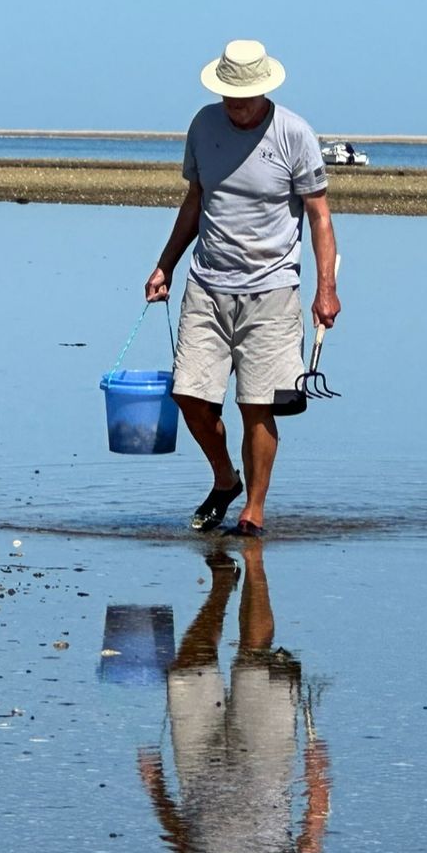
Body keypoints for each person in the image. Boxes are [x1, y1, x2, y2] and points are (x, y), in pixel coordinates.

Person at [146, 39, 341, 537]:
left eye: (245, 96)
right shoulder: (203, 125)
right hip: (206, 284)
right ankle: (224, 479)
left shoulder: (294, 133)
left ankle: (254, 510)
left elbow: (319, 215)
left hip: (272, 289)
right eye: (230, 95)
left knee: (256, 404)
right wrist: (165, 264)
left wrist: (326, 289)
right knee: (188, 394)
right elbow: (195, 199)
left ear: (265, 89)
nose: (237, 105)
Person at [136, 545, 330, 853]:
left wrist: (157, 793)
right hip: (266, 769)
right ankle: (256, 563)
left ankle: (223, 583)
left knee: (185, 670)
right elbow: (307, 847)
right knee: (255, 659)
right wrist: (318, 781)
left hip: (198, 775)